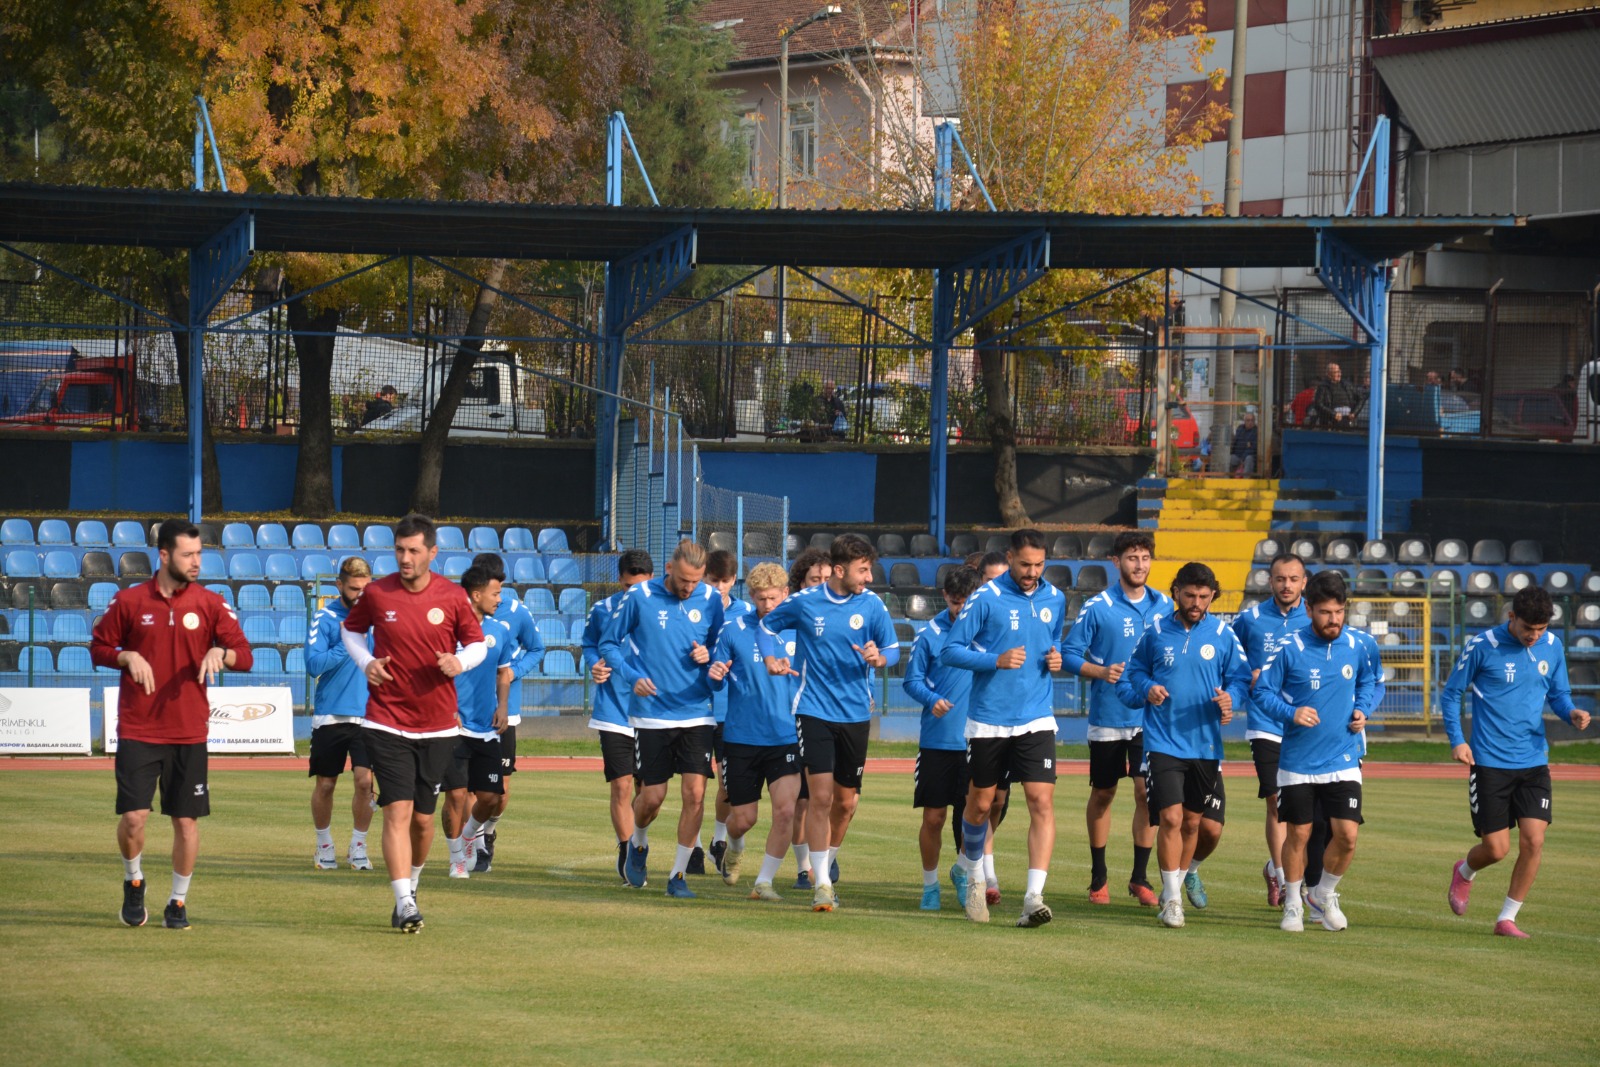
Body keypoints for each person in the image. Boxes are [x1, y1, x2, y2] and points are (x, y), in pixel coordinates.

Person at [91, 519, 254, 930]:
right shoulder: (128, 602)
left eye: (199, 554)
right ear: (163, 555)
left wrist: (221, 652)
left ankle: (177, 902)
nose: (196, 562)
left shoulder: (211, 603)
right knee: (133, 819)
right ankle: (133, 881)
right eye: (188, 554)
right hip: (138, 729)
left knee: (186, 821)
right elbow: (98, 647)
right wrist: (126, 656)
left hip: (189, 732)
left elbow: (245, 655)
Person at [341, 513, 487, 933]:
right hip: (385, 721)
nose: (405, 558)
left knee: (425, 820)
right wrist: (367, 662)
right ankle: (404, 900)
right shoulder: (377, 593)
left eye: (413, 551)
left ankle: (412, 885)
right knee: (397, 811)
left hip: (438, 726)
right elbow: (350, 633)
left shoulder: (453, 596)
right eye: (400, 550)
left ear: (432, 552)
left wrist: (459, 660)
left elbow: (476, 643)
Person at [758, 533, 898, 912]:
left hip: (855, 714)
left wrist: (879, 657)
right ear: (840, 570)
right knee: (819, 797)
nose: (869, 577)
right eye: (863, 570)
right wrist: (771, 659)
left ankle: (826, 859)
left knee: (846, 802)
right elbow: (767, 627)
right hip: (814, 710)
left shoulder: (872, 606)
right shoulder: (805, 603)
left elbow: (892, 648)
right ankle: (821, 882)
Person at [1441, 587, 1591, 938]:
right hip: (1490, 761)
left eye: (1540, 629)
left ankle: (1506, 918)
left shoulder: (1552, 646)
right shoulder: (1482, 647)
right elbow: (1451, 693)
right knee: (1496, 849)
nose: (1533, 636)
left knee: (1534, 841)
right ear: (1512, 617)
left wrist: (1571, 713)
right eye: (1528, 628)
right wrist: (1457, 740)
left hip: (1533, 760)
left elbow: (1558, 693)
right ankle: (1464, 872)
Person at [940, 528, 1066, 928]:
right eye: (1025, 564)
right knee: (980, 804)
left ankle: (1033, 897)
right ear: (1010, 557)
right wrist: (995, 660)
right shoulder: (986, 598)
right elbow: (951, 651)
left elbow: (1053, 641)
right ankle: (969, 871)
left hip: (1037, 716)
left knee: (1041, 802)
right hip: (990, 719)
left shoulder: (1056, 598)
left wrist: (1056, 658)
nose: (1032, 572)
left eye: (1039, 564)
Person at [1117, 562, 1249, 929]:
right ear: (1176, 591)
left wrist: (1230, 700)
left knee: (1193, 823)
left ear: (1212, 596)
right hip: (1162, 741)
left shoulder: (1223, 635)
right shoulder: (1155, 632)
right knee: (1171, 818)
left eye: (1204, 596)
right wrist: (1147, 689)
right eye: (1189, 594)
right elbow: (1131, 679)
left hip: (1205, 745)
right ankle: (1172, 899)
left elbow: (1240, 680)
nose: (1196, 602)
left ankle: (1177, 882)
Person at [1251, 571, 1377, 932]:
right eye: (1325, 612)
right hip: (1298, 761)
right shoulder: (1289, 648)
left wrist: (1363, 708)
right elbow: (1261, 693)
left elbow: (1371, 680)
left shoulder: (1360, 644)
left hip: (1343, 758)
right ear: (1309, 609)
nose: (1333, 619)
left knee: (1347, 836)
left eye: (1339, 612)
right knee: (1300, 835)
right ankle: (1293, 903)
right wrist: (1292, 713)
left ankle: (1323, 894)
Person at [600, 540, 725, 898]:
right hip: (652, 714)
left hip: (697, 711)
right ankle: (638, 843)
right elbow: (609, 644)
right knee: (651, 798)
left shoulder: (710, 599)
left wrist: (710, 654)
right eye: (684, 579)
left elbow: (720, 645)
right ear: (670, 567)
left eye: (696, 581)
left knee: (696, 793)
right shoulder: (639, 596)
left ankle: (678, 876)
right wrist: (630, 676)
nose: (689, 588)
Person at [1060, 531, 1171, 908]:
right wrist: (1100, 670)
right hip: (1108, 717)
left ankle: (1139, 878)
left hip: (1150, 719)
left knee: (1146, 792)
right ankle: (1098, 875)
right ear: (1116, 562)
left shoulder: (1165, 606)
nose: (1139, 565)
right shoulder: (1098, 606)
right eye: (1132, 558)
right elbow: (1069, 653)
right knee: (1104, 793)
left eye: (1144, 558)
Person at [707, 562, 802, 900]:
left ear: (785, 594)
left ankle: (764, 881)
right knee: (743, 819)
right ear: (751, 596)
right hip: (741, 739)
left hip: (786, 737)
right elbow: (713, 682)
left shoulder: (797, 630)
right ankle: (733, 847)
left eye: (773, 598)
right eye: (760, 599)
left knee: (786, 810)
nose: (767, 606)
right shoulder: (733, 630)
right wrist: (714, 675)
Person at [904, 565, 982, 910]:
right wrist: (932, 699)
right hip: (938, 742)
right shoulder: (929, 634)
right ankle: (930, 885)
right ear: (946, 598)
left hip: (978, 739)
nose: (959, 610)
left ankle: (963, 875)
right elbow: (911, 681)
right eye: (954, 603)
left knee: (973, 818)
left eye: (966, 603)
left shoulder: (987, 633)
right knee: (933, 817)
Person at [1233, 553, 1309, 906]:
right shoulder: (1249, 620)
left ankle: (1278, 867)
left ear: (1304, 582)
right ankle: (1282, 876)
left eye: (1293, 578)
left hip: (1305, 725)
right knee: (1276, 802)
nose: (1287, 585)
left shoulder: (1315, 617)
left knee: (1305, 810)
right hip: (1265, 722)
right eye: (1280, 578)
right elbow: (1228, 660)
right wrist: (1244, 677)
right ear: (1270, 581)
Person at [466, 552, 543, 873]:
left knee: (501, 790)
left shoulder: (515, 612)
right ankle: (476, 845)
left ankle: (489, 829)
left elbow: (537, 648)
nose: (497, 595)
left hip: (504, 714)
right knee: (470, 788)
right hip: (467, 714)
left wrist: (514, 672)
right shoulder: (461, 615)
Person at [582, 549, 654, 883]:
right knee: (621, 786)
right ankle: (627, 850)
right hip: (613, 710)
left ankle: (638, 839)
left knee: (649, 791)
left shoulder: (666, 611)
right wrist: (594, 662)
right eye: (627, 588)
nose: (632, 594)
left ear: (651, 580)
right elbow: (589, 644)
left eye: (638, 587)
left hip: (652, 712)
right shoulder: (602, 610)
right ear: (619, 582)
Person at [441, 566, 516, 880]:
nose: (499, 599)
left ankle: (470, 836)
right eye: (495, 593)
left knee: (491, 797)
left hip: (486, 726)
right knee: (456, 795)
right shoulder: (447, 628)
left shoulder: (499, 630)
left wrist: (502, 707)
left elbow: (503, 672)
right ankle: (456, 856)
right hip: (452, 725)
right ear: (476, 594)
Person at [305, 556, 376, 872]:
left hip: (370, 716)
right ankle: (323, 845)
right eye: (354, 588)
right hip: (331, 714)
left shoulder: (379, 618)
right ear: (339, 585)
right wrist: (348, 641)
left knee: (365, 782)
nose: (360, 594)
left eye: (365, 588)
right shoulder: (324, 617)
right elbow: (313, 665)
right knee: (326, 784)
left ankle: (358, 847)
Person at [784, 548, 830, 889]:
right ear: (800, 584)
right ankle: (806, 869)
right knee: (797, 801)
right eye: (815, 580)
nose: (823, 586)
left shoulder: (834, 623)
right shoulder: (785, 621)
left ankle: (813, 866)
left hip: (818, 720)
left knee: (817, 799)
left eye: (828, 579)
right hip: (780, 723)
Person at [702, 548, 749, 877]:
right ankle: (689, 848)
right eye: (713, 580)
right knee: (694, 787)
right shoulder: (693, 609)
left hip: (730, 712)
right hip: (694, 709)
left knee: (728, 785)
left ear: (734, 580)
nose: (720, 586)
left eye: (725, 580)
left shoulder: (746, 613)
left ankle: (718, 841)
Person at [1311, 362, 1359, 428]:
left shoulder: (1347, 385)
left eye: (1339, 371)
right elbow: (1318, 404)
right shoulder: (1323, 387)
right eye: (1336, 372)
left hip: (1348, 419)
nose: (1339, 374)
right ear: (1329, 374)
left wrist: (1354, 413)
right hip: (1331, 421)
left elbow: (1360, 398)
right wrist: (1333, 414)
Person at [1230, 410, 1258, 475]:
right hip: (1237, 455)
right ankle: (1227, 478)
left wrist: (1242, 459)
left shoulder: (1256, 431)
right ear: (1244, 421)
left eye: (1252, 420)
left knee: (1249, 459)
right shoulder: (1240, 429)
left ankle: (1246, 481)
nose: (1250, 422)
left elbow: (1253, 448)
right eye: (1248, 420)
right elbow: (1235, 443)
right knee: (1229, 459)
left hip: (1248, 457)